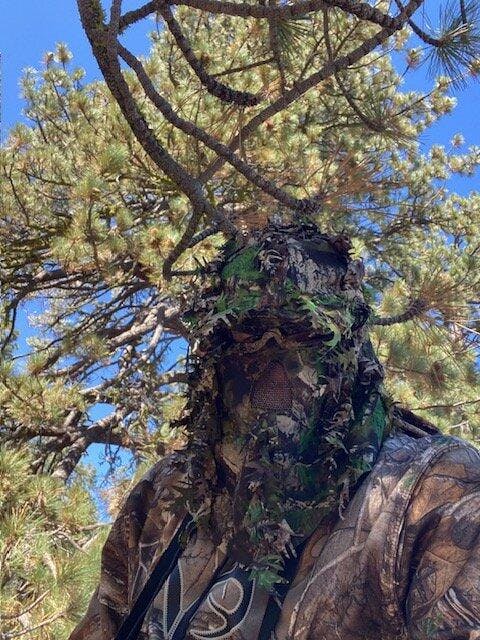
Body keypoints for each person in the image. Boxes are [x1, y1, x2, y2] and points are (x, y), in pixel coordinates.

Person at [70, 223, 480, 640]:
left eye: (304, 334)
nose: (274, 374)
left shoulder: (427, 489)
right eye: (247, 335)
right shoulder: (166, 493)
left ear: (350, 345)